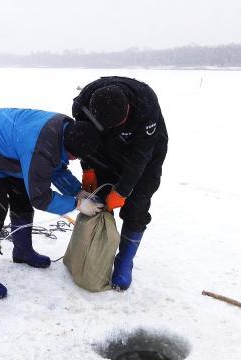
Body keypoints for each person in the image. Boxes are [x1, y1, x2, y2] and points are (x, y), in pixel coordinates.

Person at [0, 108, 103, 299]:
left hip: (11, 148)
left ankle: (22, 251)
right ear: (70, 150)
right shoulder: (40, 147)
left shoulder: (65, 131)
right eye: (76, 157)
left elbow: (55, 168)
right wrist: (76, 204)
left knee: (22, 197)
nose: (75, 160)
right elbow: (40, 197)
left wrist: (78, 191)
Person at [72, 76, 169, 291]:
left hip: (145, 155)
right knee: (101, 199)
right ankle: (98, 250)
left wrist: (123, 190)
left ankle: (125, 261)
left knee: (137, 203)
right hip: (104, 150)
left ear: (126, 112)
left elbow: (140, 157)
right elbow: (84, 137)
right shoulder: (83, 104)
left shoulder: (145, 106)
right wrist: (87, 168)